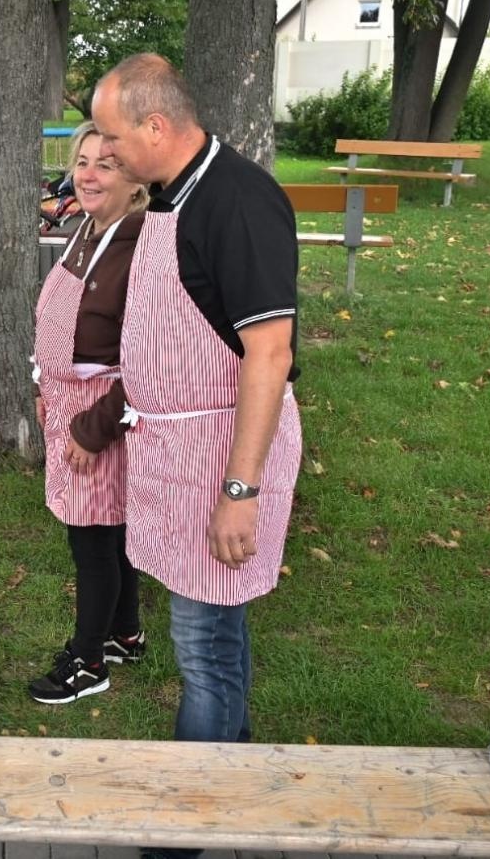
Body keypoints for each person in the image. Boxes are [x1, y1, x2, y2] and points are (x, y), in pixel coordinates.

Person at [90, 54, 303, 752]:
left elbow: (271, 354)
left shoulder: (236, 201)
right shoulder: (172, 193)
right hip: (177, 455)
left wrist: (241, 490)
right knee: (217, 628)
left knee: (203, 648)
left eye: (112, 139)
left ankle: (187, 820)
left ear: (155, 126)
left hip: (221, 458)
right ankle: (235, 769)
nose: (106, 154)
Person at [28, 121, 149, 705]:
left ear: (136, 179)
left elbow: (153, 362)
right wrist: (41, 381)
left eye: (107, 163)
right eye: (82, 162)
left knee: (93, 542)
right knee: (109, 530)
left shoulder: (144, 246)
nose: (89, 173)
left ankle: (88, 659)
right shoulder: (86, 230)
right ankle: (126, 631)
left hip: (101, 416)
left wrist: (95, 427)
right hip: (67, 406)